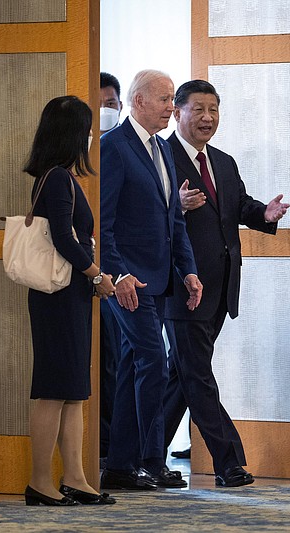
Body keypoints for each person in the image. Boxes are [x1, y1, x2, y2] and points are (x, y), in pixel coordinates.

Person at [162, 80, 289, 487]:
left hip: (220, 288)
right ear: (178, 112)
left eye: (213, 109)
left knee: (180, 378)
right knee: (196, 374)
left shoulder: (223, 160)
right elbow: (140, 213)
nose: (207, 117)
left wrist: (263, 215)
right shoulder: (160, 157)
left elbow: (235, 207)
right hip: (182, 285)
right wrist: (173, 206)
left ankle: (133, 458)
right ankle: (228, 462)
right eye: (198, 109)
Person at [99, 70, 203, 490]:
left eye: (173, 100)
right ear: (138, 101)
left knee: (132, 367)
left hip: (159, 280)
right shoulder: (114, 148)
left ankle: (120, 467)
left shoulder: (162, 148)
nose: (171, 108)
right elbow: (102, 224)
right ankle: (151, 460)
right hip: (127, 281)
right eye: (165, 100)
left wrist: (189, 269)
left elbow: (173, 220)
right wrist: (117, 273)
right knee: (154, 365)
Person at [22, 95, 117, 506]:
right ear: (74, 134)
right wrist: (97, 275)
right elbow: (64, 237)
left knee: (75, 390)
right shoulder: (58, 178)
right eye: (88, 129)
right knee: (53, 390)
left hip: (71, 296)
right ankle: (40, 482)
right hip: (58, 297)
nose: (92, 136)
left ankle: (76, 477)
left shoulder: (59, 177)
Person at [98, 72, 123, 464]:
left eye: (110, 104)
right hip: (98, 275)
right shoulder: (99, 152)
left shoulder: (124, 147)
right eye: (98, 103)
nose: (104, 111)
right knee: (104, 364)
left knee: (120, 362)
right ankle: (104, 450)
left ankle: (116, 451)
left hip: (123, 279)